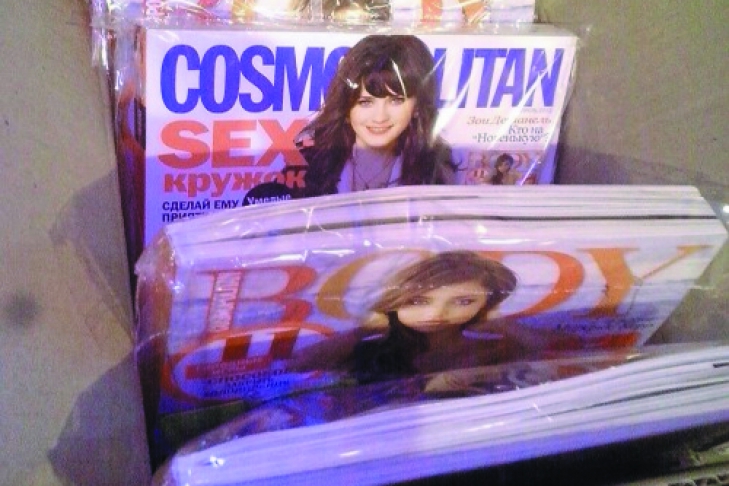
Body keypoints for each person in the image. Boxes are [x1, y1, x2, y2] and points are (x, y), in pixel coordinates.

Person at [283, 34, 457, 198]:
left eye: (396, 101)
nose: (380, 117)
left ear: (417, 107)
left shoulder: (435, 171)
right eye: (365, 102)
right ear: (346, 107)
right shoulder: (309, 166)